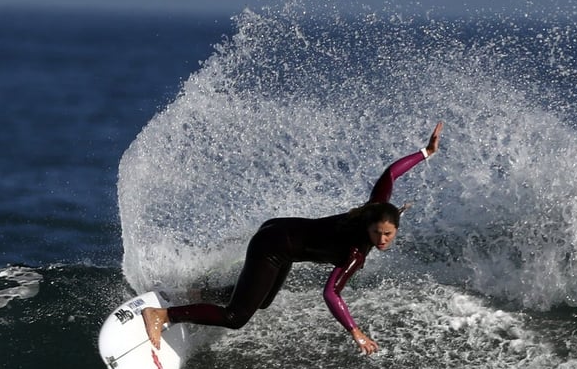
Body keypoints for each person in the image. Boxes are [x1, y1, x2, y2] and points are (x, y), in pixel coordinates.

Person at [142, 122, 443, 355]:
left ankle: (201, 293)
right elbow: (331, 294)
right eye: (377, 232)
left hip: (281, 235)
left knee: (262, 301)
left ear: (396, 228)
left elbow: (390, 174)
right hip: (272, 246)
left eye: (387, 234)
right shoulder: (356, 251)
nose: (381, 238)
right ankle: (162, 315)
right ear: (370, 226)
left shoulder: (376, 209)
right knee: (235, 318)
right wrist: (355, 330)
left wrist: (426, 153)